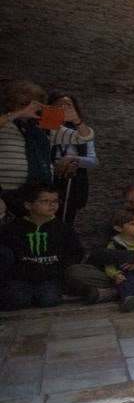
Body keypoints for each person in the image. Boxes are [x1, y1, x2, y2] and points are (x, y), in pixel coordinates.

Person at [0, 81, 95, 214]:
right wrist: (17, 114)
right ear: (10, 103)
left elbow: (85, 137)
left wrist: (76, 120)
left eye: (32, 103)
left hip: (38, 194)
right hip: (5, 193)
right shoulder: (4, 122)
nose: (29, 107)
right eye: (23, 103)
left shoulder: (44, 125)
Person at [1, 183, 84, 310]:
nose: (52, 205)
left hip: (50, 276)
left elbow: (76, 252)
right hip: (21, 277)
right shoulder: (14, 228)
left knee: (49, 300)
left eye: (55, 201)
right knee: (17, 299)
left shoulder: (63, 228)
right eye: (45, 201)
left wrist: (60, 271)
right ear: (28, 205)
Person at [47, 93, 98, 225]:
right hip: (47, 179)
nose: (64, 108)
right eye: (59, 105)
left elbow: (93, 161)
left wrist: (73, 159)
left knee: (66, 219)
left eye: (68, 105)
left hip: (71, 181)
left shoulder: (82, 132)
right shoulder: (43, 129)